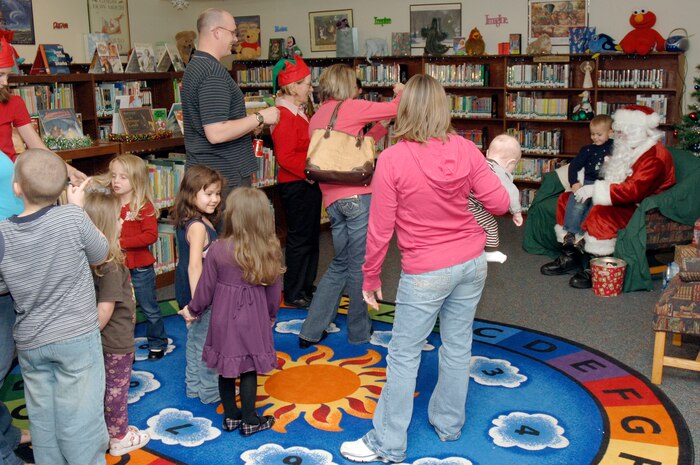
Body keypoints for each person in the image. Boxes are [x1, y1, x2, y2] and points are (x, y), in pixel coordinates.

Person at [339, 74, 509, 463]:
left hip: (426, 270)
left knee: (404, 354)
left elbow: (380, 228)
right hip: (470, 262)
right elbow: (498, 204)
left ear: (405, 110)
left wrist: (370, 277)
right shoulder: (467, 149)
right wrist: (490, 168)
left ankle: (388, 444)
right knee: (457, 343)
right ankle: (449, 425)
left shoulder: (392, 159)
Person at [1, 39, 86, 465]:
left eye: (5, 74)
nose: (4, 81)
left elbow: (36, 146)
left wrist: (63, 171)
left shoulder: (13, 102)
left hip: (18, 203)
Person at [0, 149, 109, 465]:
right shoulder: (72, 217)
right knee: (82, 416)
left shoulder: (3, 231)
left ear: (16, 188)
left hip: (32, 342)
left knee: (43, 418)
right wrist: (79, 209)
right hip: (76, 337)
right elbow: (100, 253)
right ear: (65, 186)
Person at [297, 64, 403, 348]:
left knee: (341, 263)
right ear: (347, 85)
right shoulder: (353, 107)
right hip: (358, 197)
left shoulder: (317, 116)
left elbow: (354, 146)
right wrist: (401, 92)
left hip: (331, 201)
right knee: (360, 266)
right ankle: (358, 331)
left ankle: (310, 329)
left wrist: (381, 127)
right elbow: (397, 106)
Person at [178, 187, 283, 436]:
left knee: (225, 367)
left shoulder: (217, 249)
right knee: (248, 369)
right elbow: (274, 290)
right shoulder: (270, 248)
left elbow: (205, 288)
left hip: (223, 317)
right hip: (253, 317)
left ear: (232, 215)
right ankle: (250, 420)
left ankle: (231, 417)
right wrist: (270, 316)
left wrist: (193, 310)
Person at [540, 105, 676, 288]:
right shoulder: (629, 147)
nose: (619, 137)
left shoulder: (654, 156)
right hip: (619, 195)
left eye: (623, 132)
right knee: (567, 200)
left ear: (639, 130)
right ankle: (571, 255)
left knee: (601, 214)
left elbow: (633, 191)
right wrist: (583, 186)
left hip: (643, 206)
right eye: (618, 132)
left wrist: (595, 190)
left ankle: (597, 265)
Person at [181, 8, 280, 199]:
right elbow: (216, 132)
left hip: (207, 173)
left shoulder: (195, 65)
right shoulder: (212, 73)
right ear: (217, 32)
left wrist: (248, 126)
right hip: (222, 176)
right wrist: (260, 117)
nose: (235, 39)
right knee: (228, 229)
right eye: (233, 32)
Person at [84, 187, 150, 457]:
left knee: (102, 388)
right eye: (118, 218)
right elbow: (105, 309)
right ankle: (119, 437)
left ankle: (104, 430)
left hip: (102, 341)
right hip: (115, 341)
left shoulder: (91, 259)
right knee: (117, 390)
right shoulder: (111, 264)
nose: (123, 221)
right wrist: (87, 336)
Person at [269, 56, 322, 308]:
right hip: (298, 184)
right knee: (300, 238)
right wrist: (312, 172)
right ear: (292, 86)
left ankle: (306, 285)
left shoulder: (297, 113)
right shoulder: (284, 116)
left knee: (311, 236)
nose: (310, 89)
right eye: (307, 84)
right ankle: (294, 290)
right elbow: (286, 157)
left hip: (308, 181)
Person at [173, 165, 225, 404]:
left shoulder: (195, 219)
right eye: (209, 194)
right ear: (192, 193)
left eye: (217, 193)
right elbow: (195, 265)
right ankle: (210, 392)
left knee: (195, 340)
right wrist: (198, 304)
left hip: (189, 289)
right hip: (199, 292)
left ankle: (193, 386)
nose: (215, 199)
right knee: (208, 342)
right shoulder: (197, 226)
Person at [109, 154, 168, 360]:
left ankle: (158, 342)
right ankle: (125, 348)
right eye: (114, 176)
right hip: (116, 267)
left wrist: (121, 243)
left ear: (136, 180)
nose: (116, 181)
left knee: (149, 307)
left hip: (140, 268)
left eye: (123, 177)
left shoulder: (144, 206)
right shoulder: (110, 204)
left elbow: (150, 236)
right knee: (121, 310)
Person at [557, 114, 613, 248]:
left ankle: (584, 234)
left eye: (599, 134)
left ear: (610, 132)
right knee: (577, 203)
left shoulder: (616, 147)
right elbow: (573, 167)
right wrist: (574, 183)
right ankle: (570, 233)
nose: (595, 137)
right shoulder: (587, 149)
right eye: (592, 134)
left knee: (595, 207)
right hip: (588, 182)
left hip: (604, 186)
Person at [467, 134, 524, 263]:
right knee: (490, 224)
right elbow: (512, 191)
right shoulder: (498, 171)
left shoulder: (479, 163)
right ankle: (489, 252)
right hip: (472, 207)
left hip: (460, 202)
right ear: (511, 163)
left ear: (487, 153)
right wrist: (517, 212)